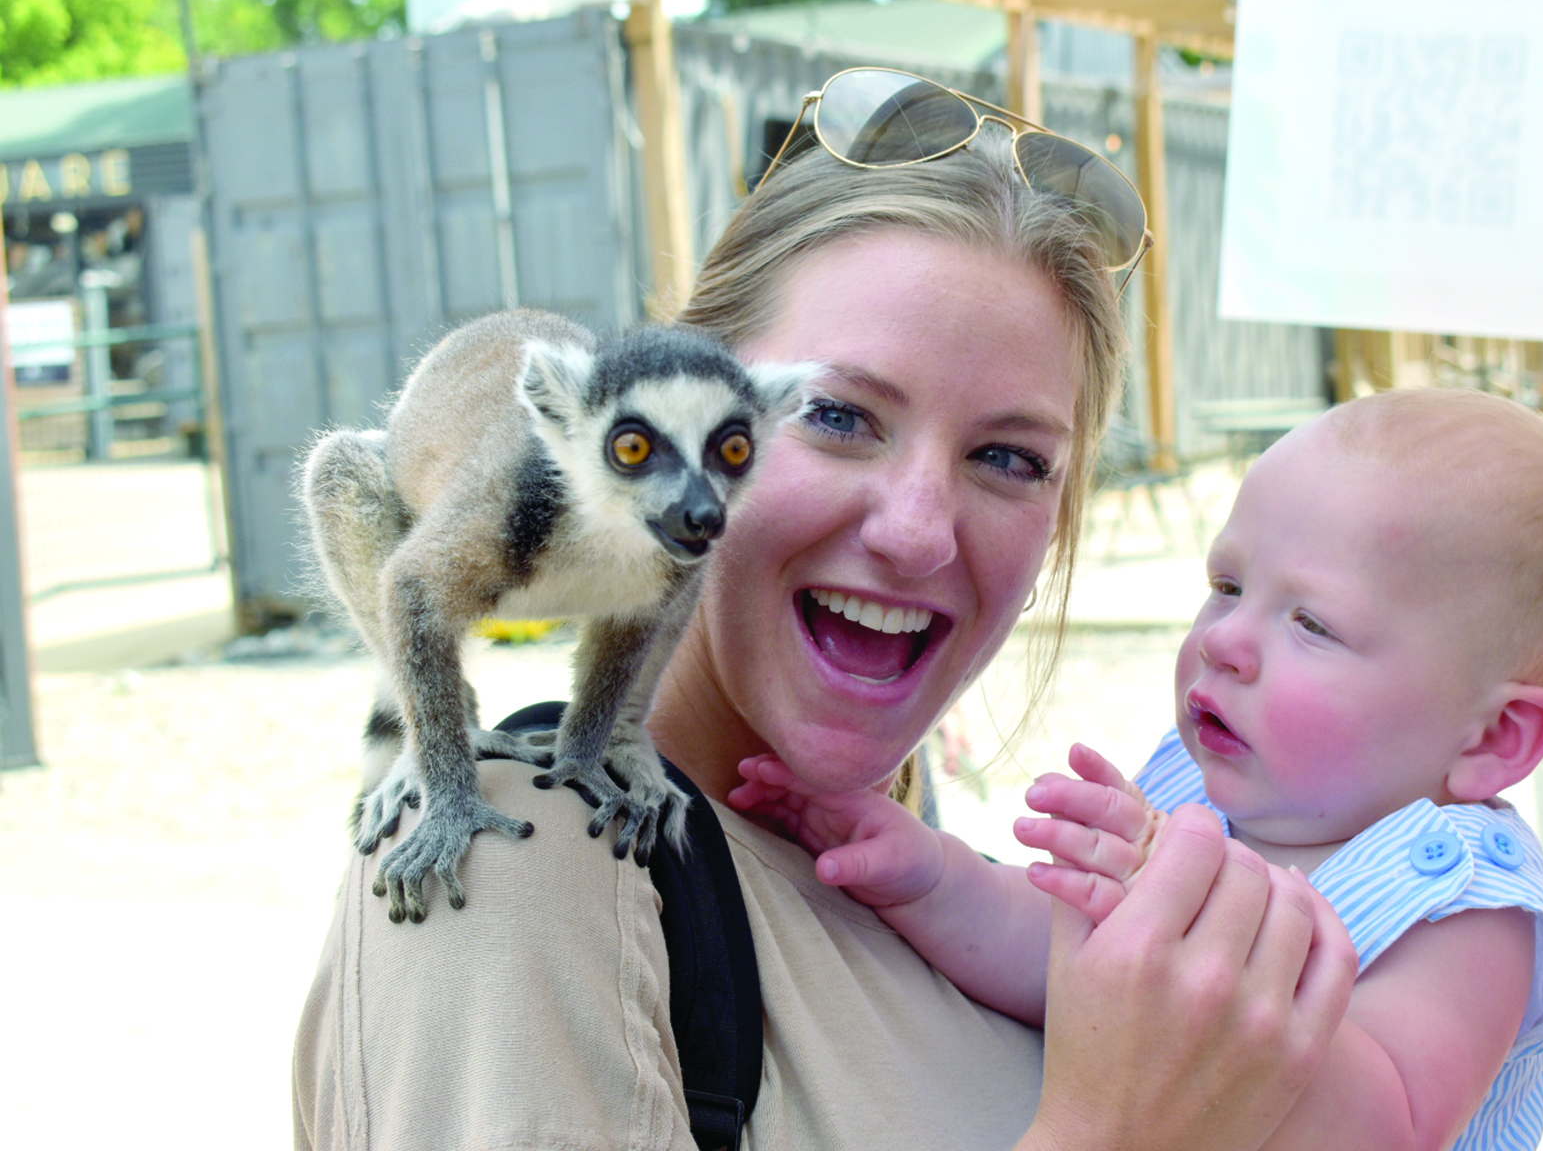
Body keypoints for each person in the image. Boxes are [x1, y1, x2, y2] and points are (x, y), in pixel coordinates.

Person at [292, 67, 1359, 1151]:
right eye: (839, 416)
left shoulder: (939, 891)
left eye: (1009, 458)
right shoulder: (525, 879)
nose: (918, 530)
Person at [734, 387, 1543, 1151]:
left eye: (1312, 624)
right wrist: (929, 875)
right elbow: (1060, 957)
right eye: (1229, 587)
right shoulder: (1197, 787)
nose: (1225, 641)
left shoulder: (1468, 905)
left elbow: (1390, 1120)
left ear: (1493, 738)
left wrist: (1203, 995)